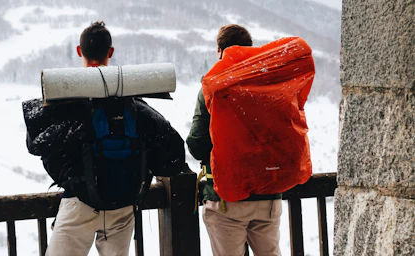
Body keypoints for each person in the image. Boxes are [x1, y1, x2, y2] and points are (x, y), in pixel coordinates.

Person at [23, 21, 185, 256]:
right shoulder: (133, 103)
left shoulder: (73, 103)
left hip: (80, 204)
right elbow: (174, 157)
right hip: (123, 207)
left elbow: (35, 144)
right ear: (110, 52)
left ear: (80, 51)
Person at [186, 24, 283, 256]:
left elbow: (197, 144)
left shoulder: (213, 88)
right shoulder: (268, 83)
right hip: (268, 194)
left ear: (220, 51)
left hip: (226, 198)